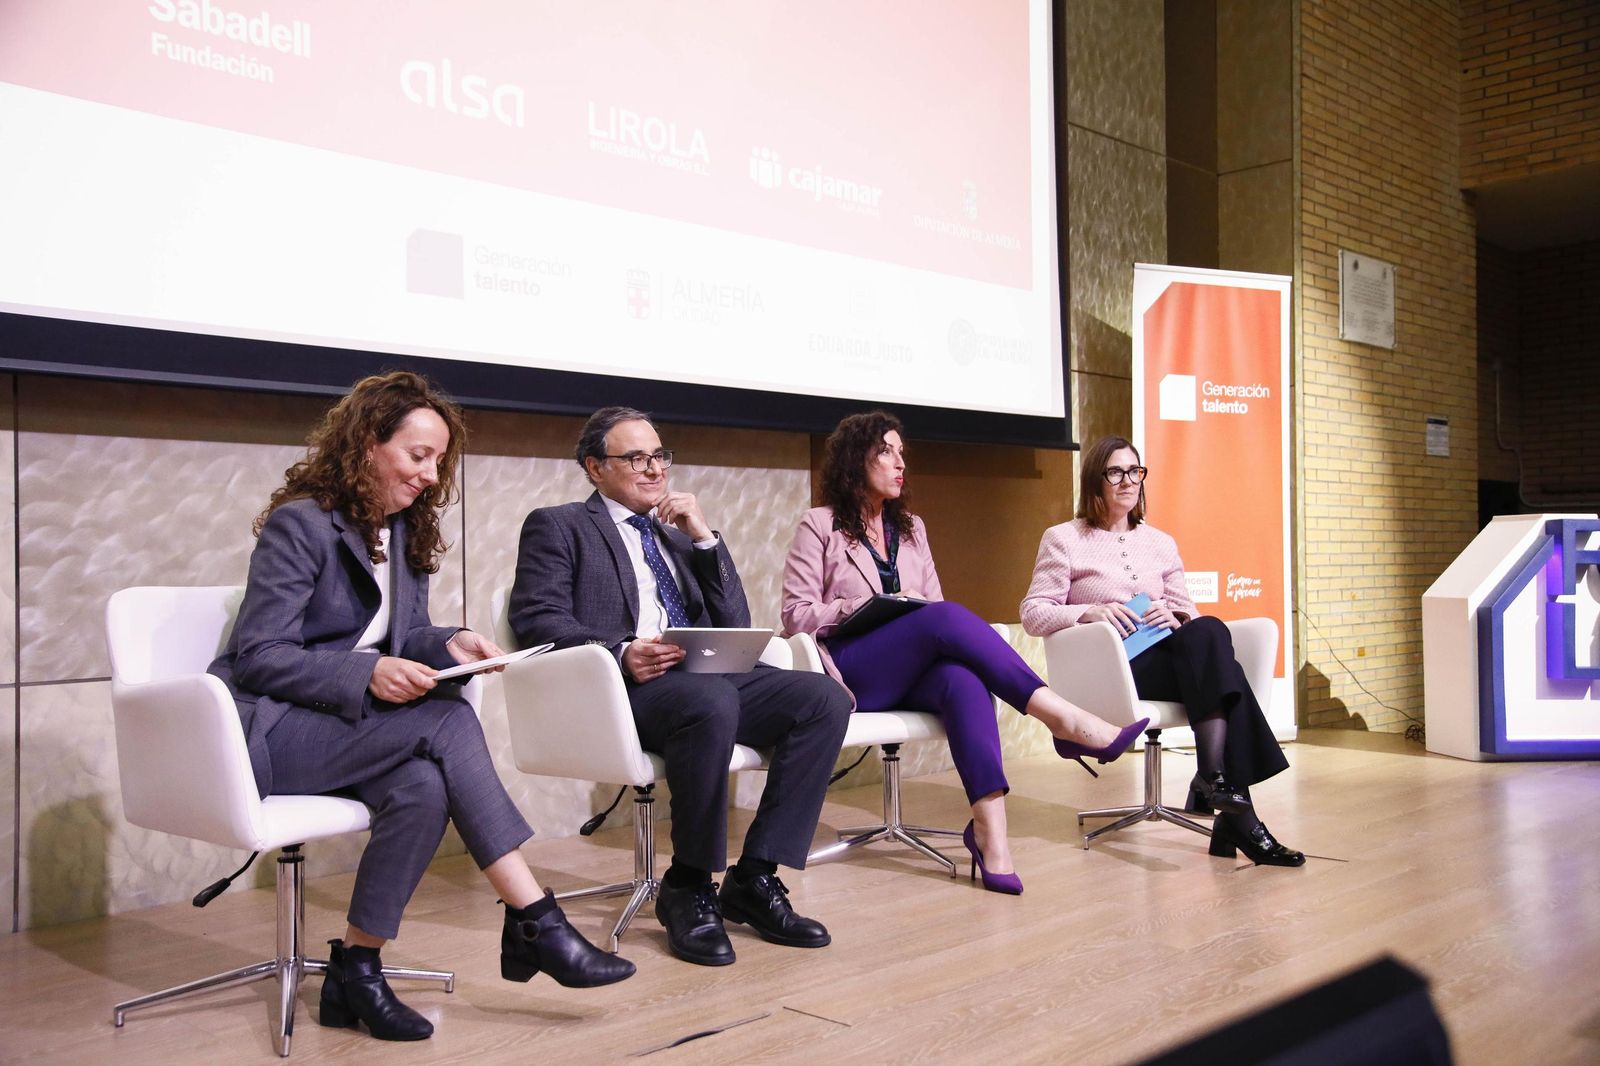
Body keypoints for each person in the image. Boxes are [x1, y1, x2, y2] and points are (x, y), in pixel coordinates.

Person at [209, 372, 634, 1044]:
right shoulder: (302, 524)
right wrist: (368, 672)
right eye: (418, 455)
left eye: (439, 460)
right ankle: (536, 920)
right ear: (366, 446)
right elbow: (260, 655)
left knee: (422, 785)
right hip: (271, 730)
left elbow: (400, 636)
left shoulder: (402, 529)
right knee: (447, 719)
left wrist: (449, 642)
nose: (431, 475)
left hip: (341, 728)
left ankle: (357, 968)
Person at [510, 406, 853, 967]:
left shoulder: (676, 537)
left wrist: (704, 538)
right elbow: (536, 617)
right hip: (623, 688)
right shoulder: (559, 524)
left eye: (659, 456)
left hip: (706, 678)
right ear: (595, 467)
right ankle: (689, 884)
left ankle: (755, 877)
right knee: (710, 700)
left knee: (823, 699)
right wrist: (622, 652)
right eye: (635, 458)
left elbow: (735, 621)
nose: (654, 469)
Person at [779, 411, 1148, 895]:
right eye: (886, 452)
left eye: (902, 453)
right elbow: (796, 615)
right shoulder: (820, 525)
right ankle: (1063, 718)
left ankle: (992, 836)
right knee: (946, 617)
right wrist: (872, 605)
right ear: (855, 459)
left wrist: (913, 611)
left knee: (963, 680)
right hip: (852, 669)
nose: (900, 463)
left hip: (911, 669)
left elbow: (932, 609)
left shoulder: (912, 528)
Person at [1020, 434, 1303, 867]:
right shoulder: (1064, 538)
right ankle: (1225, 801)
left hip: (1167, 659)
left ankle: (1216, 781)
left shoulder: (1160, 542)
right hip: (1112, 667)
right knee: (1228, 677)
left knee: (1208, 629)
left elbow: (1189, 610)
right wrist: (1089, 612)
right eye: (1116, 472)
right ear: (1095, 480)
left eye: (1135, 471)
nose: (1128, 481)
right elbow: (1033, 613)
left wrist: (1177, 616)